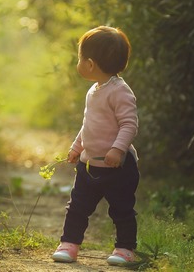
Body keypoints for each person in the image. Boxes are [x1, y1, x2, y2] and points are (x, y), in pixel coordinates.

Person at [52, 26, 140, 266]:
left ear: (90, 64)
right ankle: (69, 244)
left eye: (79, 58)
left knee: (121, 209)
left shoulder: (120, 92)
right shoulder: (94, 90)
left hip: (118, 167)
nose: (78, 62)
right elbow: (88, 125)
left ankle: (125, 249)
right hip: (89, 165)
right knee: (77, 207)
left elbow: (129, 125)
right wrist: (77, 147)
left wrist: (117, 149)